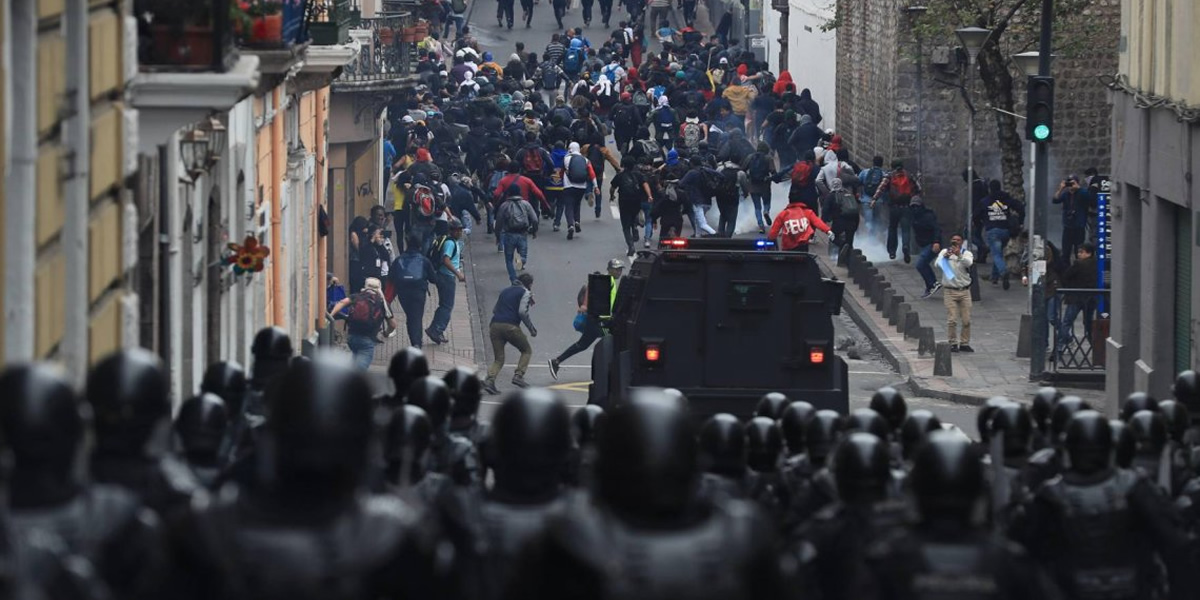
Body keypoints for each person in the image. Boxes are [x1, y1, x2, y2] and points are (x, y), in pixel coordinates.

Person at [547, 258, 625, 380]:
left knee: (585, 344)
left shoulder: (610, 281)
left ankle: (556, 361)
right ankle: (611, 370)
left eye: (620, 270)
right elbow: (589, 290)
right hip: (598, 321)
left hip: (599, 321)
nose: (619, 272)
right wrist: (585, 305)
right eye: (616, 270)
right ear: (609, 269)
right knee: (611, 340)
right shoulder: (606, 280)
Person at [482, 273, 538, 395]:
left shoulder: (505, 291)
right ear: (529, 284)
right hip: (511, 327)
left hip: (494, 326)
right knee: (526, 350)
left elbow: (495, 310)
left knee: (499, 358)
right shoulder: (525, 292)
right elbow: (522, 312)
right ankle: (519, 375)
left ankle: (490, 380)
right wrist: (532, 329)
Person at [328, 277, 397, 369]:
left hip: (352, 337)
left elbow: (342, 302)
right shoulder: (382, 303)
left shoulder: (357, 297)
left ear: (365, 286)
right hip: (368, 340)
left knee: (355, 359)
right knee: (360, 369)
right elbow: (392, 324)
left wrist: (330, 315)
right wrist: (386, 333)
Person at [391, 235, 438, 349]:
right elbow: (433, 279)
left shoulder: (399, 260)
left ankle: (414, 341)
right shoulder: (424, 260)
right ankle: (416, 343)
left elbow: (391, 276)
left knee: (410, 316)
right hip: (418, 292)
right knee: (416, 317)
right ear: (420, 246)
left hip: (403, 292)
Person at [977, 179, 1024, 289]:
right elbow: (1020, 207)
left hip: (992, 231)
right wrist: (1020, 221)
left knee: (996, 254)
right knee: (998, 253)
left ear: (990, 189)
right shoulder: (1006, 199)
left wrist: (982, 222)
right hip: (1005, 231)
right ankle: (994, 277)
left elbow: (976, 215)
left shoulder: (985, 201)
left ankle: (1003, 272)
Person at [427, 219, 467, 345]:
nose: (459, 232)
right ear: (451, 230)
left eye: (460, 230)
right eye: (456, 230)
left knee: (444, 305)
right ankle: (437, 330)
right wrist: (458, 273)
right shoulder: (450, 243)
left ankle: (434, 328)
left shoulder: (452, 242)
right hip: (446, 277)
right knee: (447, 306)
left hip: (445, 276)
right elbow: (446, 260)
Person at [872, 160, 921, 262]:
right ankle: (906, 247)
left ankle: (892, 251)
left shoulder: (889, 176)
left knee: (892, 228)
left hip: (894, 207)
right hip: (906, 207)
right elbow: (918, 188)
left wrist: (874, 199)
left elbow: (880, 188)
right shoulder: (909, 175)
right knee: (906, 229)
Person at [1057, 242, 1098, 357]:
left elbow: (1066, 276)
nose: (1079, 254)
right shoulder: (1097, 264)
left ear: (1089, 253)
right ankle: (1095, 349)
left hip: (1076, 297)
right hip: (1090, 298)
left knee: (1067, 322)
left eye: (1081, 252)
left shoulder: (1078, 264)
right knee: (1088, 324)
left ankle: (1060, 346)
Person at [936, 234, 974, 351]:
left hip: (964, 291)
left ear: (961, 242)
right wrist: (945, 258)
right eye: (953, 240)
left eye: (958, 240)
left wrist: (959, 255)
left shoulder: (966, 253)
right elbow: (937, 264)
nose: (955, 242)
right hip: (950, 291)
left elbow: (969, 263)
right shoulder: (944, 252)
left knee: (966, 320)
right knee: (952, 319)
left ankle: (964, 343)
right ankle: (952, 342)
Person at [495, 184, 539, 285]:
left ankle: (514, 279)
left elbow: (499, 222)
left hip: (509, 234)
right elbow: (534, 219)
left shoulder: (504, 205)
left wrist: (498, 236)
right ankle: (520, 260)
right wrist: (534, 231)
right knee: (523, 256)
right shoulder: (526, 204)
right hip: (522, 233)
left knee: (509, 259)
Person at [611, 155, 653, 256]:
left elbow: (612, 188)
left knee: (625, 226)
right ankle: (634, 226)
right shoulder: (638, 175)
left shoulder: (620, 176)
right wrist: (649, 196)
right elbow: (645, 184)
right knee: (634, 216)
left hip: (624, 202)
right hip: (636, 202)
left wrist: (612, 195)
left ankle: (631, 246)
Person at [768, 196, 833, 252]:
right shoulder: (808, 212)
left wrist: (771, 240)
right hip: (803, 246)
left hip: (788, 247)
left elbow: (773, 232)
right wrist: (828, 231)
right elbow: (818, 222)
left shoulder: (783, 214)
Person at [561, 142, 597, 240]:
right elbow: (592, 173)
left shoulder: (566, 158)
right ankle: (577, 221)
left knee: (569, 206)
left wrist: (561, 180)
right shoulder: (585, 160)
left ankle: (570, 225)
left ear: (570, 149)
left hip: (568, 186)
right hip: (582, 186)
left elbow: (561, 172)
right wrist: (596, 186)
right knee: (577, 205)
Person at [1053, 175, 1091, 262]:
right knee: (1065, 252)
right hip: (1068, 226)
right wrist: (1061, 188)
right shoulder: (1065, 194)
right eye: (1069, 183)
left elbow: (1089, 198)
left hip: (1079, 227)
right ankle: (1065, 268)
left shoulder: (1082, 192)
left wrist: (1078, 187)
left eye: (1072, 183)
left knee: (1079, 251)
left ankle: (1078, 267)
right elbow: (1055, 200)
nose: (1070, 185)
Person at [909, 197, 942, 298]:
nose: (915, 209)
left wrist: (936, 242)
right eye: (913, 206)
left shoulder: (928, 216)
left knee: (920, 264)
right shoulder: (914, 216)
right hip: (923, 244)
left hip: (932, 243)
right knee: (923, 264)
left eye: (917, 206)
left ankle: (933, 283)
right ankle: (930, 287)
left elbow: (937, 229)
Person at [858, 155, 886, 237]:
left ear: (873, 163)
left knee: (868, 221)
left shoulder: (865, 172)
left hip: (866, 200)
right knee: (876, 220)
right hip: (878, 201)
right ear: (882, 164)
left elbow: (858, 182)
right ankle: (874, 238)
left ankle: (868, 239)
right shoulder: (884, 174)